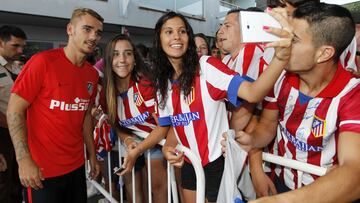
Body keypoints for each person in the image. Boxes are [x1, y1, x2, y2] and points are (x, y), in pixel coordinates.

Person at [152, 11, 293, 203]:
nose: (176, 36)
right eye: (168, 32)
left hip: (216, 164)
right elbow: (176, 125)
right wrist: (169, 147)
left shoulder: (207, 67)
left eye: (182, 31)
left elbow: (253, 93)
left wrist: (281, 58)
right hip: (189, 163)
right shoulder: (162, 83)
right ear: (159, 39)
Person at [227, 3, 360, 202]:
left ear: (324, 53)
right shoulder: (280, 77)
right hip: (283, 183)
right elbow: (267, 126)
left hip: (328, 193)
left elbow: (354, 172)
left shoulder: (352, 93)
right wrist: (252, 140)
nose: (283, 44)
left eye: (293, 39)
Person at [7, 8, 103, 203]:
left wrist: (92, 154)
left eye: (98, 32)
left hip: (76, 167)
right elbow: (14, 110)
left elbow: (84, 116)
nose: (94, 36)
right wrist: (23, 159)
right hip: (42, 171)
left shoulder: (91, 74)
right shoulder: (42, 62)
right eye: (87, 29)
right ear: (70, 29)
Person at [103, 34, 168, 203]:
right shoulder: (107, 92)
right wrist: (127, 140)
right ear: (109, 58)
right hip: (136, 144)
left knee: (159, 189)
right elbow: (115, 124)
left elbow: (163, 126)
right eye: (116, 54)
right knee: (137, 193)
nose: (122, 60)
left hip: (161, 141)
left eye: (128, 53)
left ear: (135, 58)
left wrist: (138, 150)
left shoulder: (145, 85)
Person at [0, 25, 26, 203]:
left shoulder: (17, 67)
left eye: (22, 46)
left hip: (20, 134)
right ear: (1, 43)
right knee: (3, 185)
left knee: (17, 181)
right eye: (15, 46)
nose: (20, 50)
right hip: (2, 136)